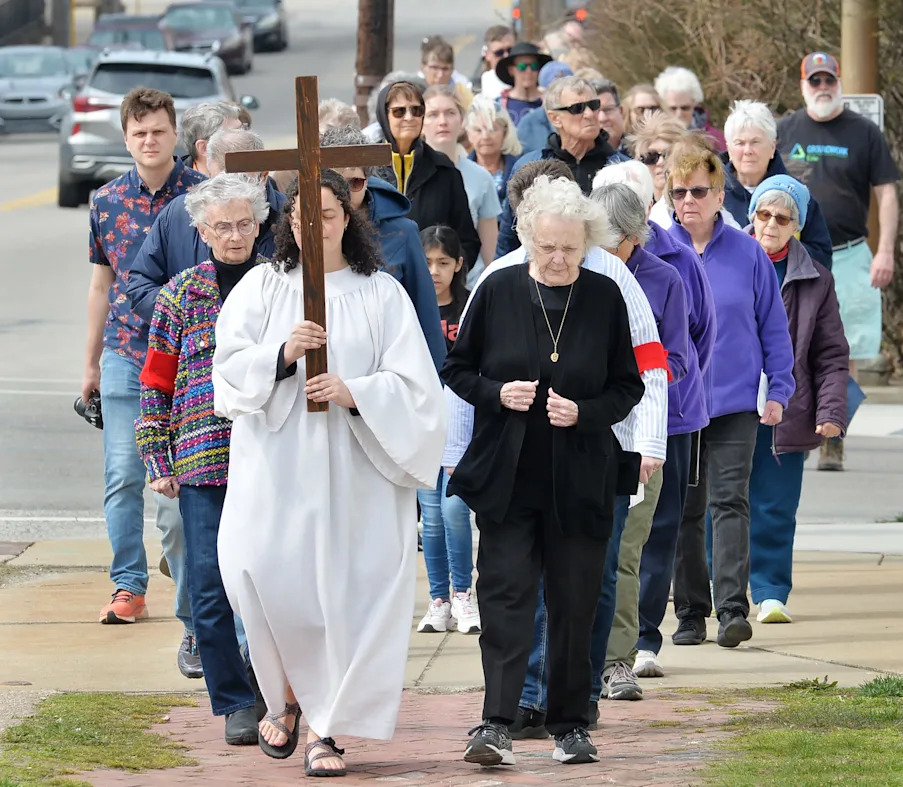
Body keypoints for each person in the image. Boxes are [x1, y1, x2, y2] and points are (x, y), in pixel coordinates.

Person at [213, 170, 446, 778]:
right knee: (260, 571)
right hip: (277, 459)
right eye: (302, 214)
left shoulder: (380, 294)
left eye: (328, 213)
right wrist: (281, 355)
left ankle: (325, 729)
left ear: (350, 218)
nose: (314, 225)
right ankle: (284, 695)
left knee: (344, 591)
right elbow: (229, 372)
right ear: (287, 220)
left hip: (353, 467)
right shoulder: (261, 289)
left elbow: (418, 389)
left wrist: (356, 391)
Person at [445, 159, 668, 740]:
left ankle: (572, 723)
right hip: (509, 476)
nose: (558, 259)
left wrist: (586, 413)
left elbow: (630, 383)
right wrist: (497, 394)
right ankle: (497, 719)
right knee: (505, 601)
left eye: (570, 248)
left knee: (574, 604)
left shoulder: (607, 293)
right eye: (547, 247)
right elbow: (458, 370)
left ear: (587, 243)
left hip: (582, 475)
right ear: (527, 239)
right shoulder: (495, 288)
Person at [135, 174, 266, 746]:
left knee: (270, 581)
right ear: (201, 230)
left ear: (260, 224)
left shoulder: (277, 287)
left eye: (244, 223)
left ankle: (273, 688)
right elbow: (156, 380)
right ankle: (234, 699)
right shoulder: (179, 295)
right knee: (209, 584)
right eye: (222, 226)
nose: (234, 235)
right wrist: (155, 454)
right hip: (201, 460)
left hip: (271, 458)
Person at [83, 89, 204, 676]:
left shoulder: (201, 197)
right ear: (126, 138)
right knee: (123, 476)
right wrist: (89, 365)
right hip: (126, 355)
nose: (149, 141)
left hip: (190, 361)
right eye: (139, 133)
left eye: (158, 131)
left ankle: (194, 619)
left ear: (174, 134)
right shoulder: (105, 202)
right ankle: (128, 584)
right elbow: (102, 287)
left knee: (176, 495)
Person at [667, 144, 795, 649]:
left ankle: (733, 611)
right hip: (679, 405)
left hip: (735, 402)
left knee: (730, 502)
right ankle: (691, 612)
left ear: (720, 195)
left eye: (699, 191)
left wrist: (779, 389)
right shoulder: (659, 251)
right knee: (683, 509)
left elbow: (774, 329)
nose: (689, 201)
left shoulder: (748, 254)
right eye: (679, 192)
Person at [596, 162, 716, 681]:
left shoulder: (666, 276)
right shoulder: (581, 270)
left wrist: (638, 373)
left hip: (651, 426)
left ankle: (633, 647)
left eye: (608, 241)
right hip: (590, 426)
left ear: (632, 235)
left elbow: (686, 352)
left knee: (640, 541)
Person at [777, 51, 900, 471]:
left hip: (848, 255)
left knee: (840, 350)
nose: (823, 87)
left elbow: (886, 192)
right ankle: (786, 428)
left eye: (829, 80)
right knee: (790, 344)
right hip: (795, 256)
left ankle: (833, 435)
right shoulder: (785, 129)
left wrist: (885, 250)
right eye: (815, 81)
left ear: (839, 83)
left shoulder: (863, 132)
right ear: (803, 85)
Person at [743, 175, 848, 623]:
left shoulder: (815, 278)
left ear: (797, 225)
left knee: (775, 505)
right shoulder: (723, 260)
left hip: (788, 410)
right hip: (726, 404)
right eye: (763, 214)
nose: (770, 224)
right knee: (719, 503)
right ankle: (715, 589)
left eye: (782, 217)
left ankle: (769, 592)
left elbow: (830, 355)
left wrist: (830, 412)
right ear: (751, 216)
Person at [319, 124, 446, 371]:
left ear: (368, 180)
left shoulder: (403, 232)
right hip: (327, 367)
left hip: (389, 367)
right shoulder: (306, 232)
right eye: (336, 183)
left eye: (354, 183)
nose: (344, 193)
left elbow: (425, 313)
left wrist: (435, 383)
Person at [128, 128, 285, 323]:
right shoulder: (179, 213)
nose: (233, 193)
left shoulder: (291, 217)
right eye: (221, 181)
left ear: (264, 176)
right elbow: (141, 285)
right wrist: (189, 315)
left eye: (243, 181)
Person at [414, 225, 481, 636]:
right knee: (432, 517)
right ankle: (437, 600)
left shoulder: (472, 306)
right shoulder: (413, 308)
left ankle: (463, 594)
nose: (435, 271)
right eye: (427, 263)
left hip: (466, 424)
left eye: (443, 262)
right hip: (423, 423)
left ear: (458, 264)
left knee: (457, 509)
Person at [496, 76, 629, 257]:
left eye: (593, 105)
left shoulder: (622, 167)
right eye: (577, 108)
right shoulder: (530, 167)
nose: (589, 114)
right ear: (555, 118)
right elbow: (509, 238)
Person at [373, 80, 481, 266]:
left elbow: (466, 240)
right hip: (375, 283)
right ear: (384, 116)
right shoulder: (366, 169)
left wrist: (447, 277)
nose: (409, 117)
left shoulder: (443, 170)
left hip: (432, 284)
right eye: (399, 111)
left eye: (416, 110)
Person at [722, 99, 832, 269]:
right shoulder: (711, 192)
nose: (748, 150)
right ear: (729, 149)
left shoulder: (797, 194)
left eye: (755, 142)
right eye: (740, 143)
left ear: (772, 147)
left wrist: (782, 251)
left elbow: (822, 257)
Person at [423, 85, 500, 278]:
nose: (442, 122)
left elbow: (490, 250)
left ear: (462, 120)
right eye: (433, 114)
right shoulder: (411, 175)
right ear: (421, 123)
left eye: (450, 113)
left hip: (467, 283)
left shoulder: (481, 177)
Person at [632, 116, 740, 231]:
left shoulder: (716, 212)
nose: (661, 162)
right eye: (651, 157)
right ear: (639, 161)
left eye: (667, 155)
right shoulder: (636, 209)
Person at [465, 96, 522, 205]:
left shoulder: (521, 168)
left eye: (493, 129)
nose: (485, 136)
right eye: (478, 130)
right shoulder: (459, 172)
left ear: (505, 132)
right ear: (468, 134)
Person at [653, 66, 725, 152]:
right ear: (663, 106)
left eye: (685, 108)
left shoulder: (715, 138)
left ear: (694, 103)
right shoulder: (653, 138)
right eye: (673, 108)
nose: (679, 113)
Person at [515, 60, 573, 155]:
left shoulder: (583, 117)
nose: (562, 99)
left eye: (568, 92)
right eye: (555, 93)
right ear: (542, 93)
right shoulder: (528, 125)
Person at [494, 41, 552, 127]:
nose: (529, 71)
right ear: (511, 70)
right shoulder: (499, 105)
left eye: (534, 66)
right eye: (522, 67)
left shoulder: (550, 101)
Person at [179, 102, 244, 174]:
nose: (247, 137)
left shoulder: (254, 176)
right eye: (234, 134)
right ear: (204, 148)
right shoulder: (173, 182)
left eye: (243, 129)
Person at [419, 36, 474, 109]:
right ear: (423, 68)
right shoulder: (413, 93)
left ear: (452, 70)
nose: (440, 75)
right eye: (434, 68)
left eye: (445, 69)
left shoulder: (462, 93)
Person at [478, 24, 515, 99]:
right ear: (487, 55)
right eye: (499, 52)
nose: (506, 56)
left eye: (510, 50)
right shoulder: (486, 81)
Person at [592, 79, 627, 153]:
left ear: (621, 111)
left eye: (608, 110)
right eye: (595, 112)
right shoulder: (577, 160)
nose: (602, 118)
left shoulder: (641, 153)